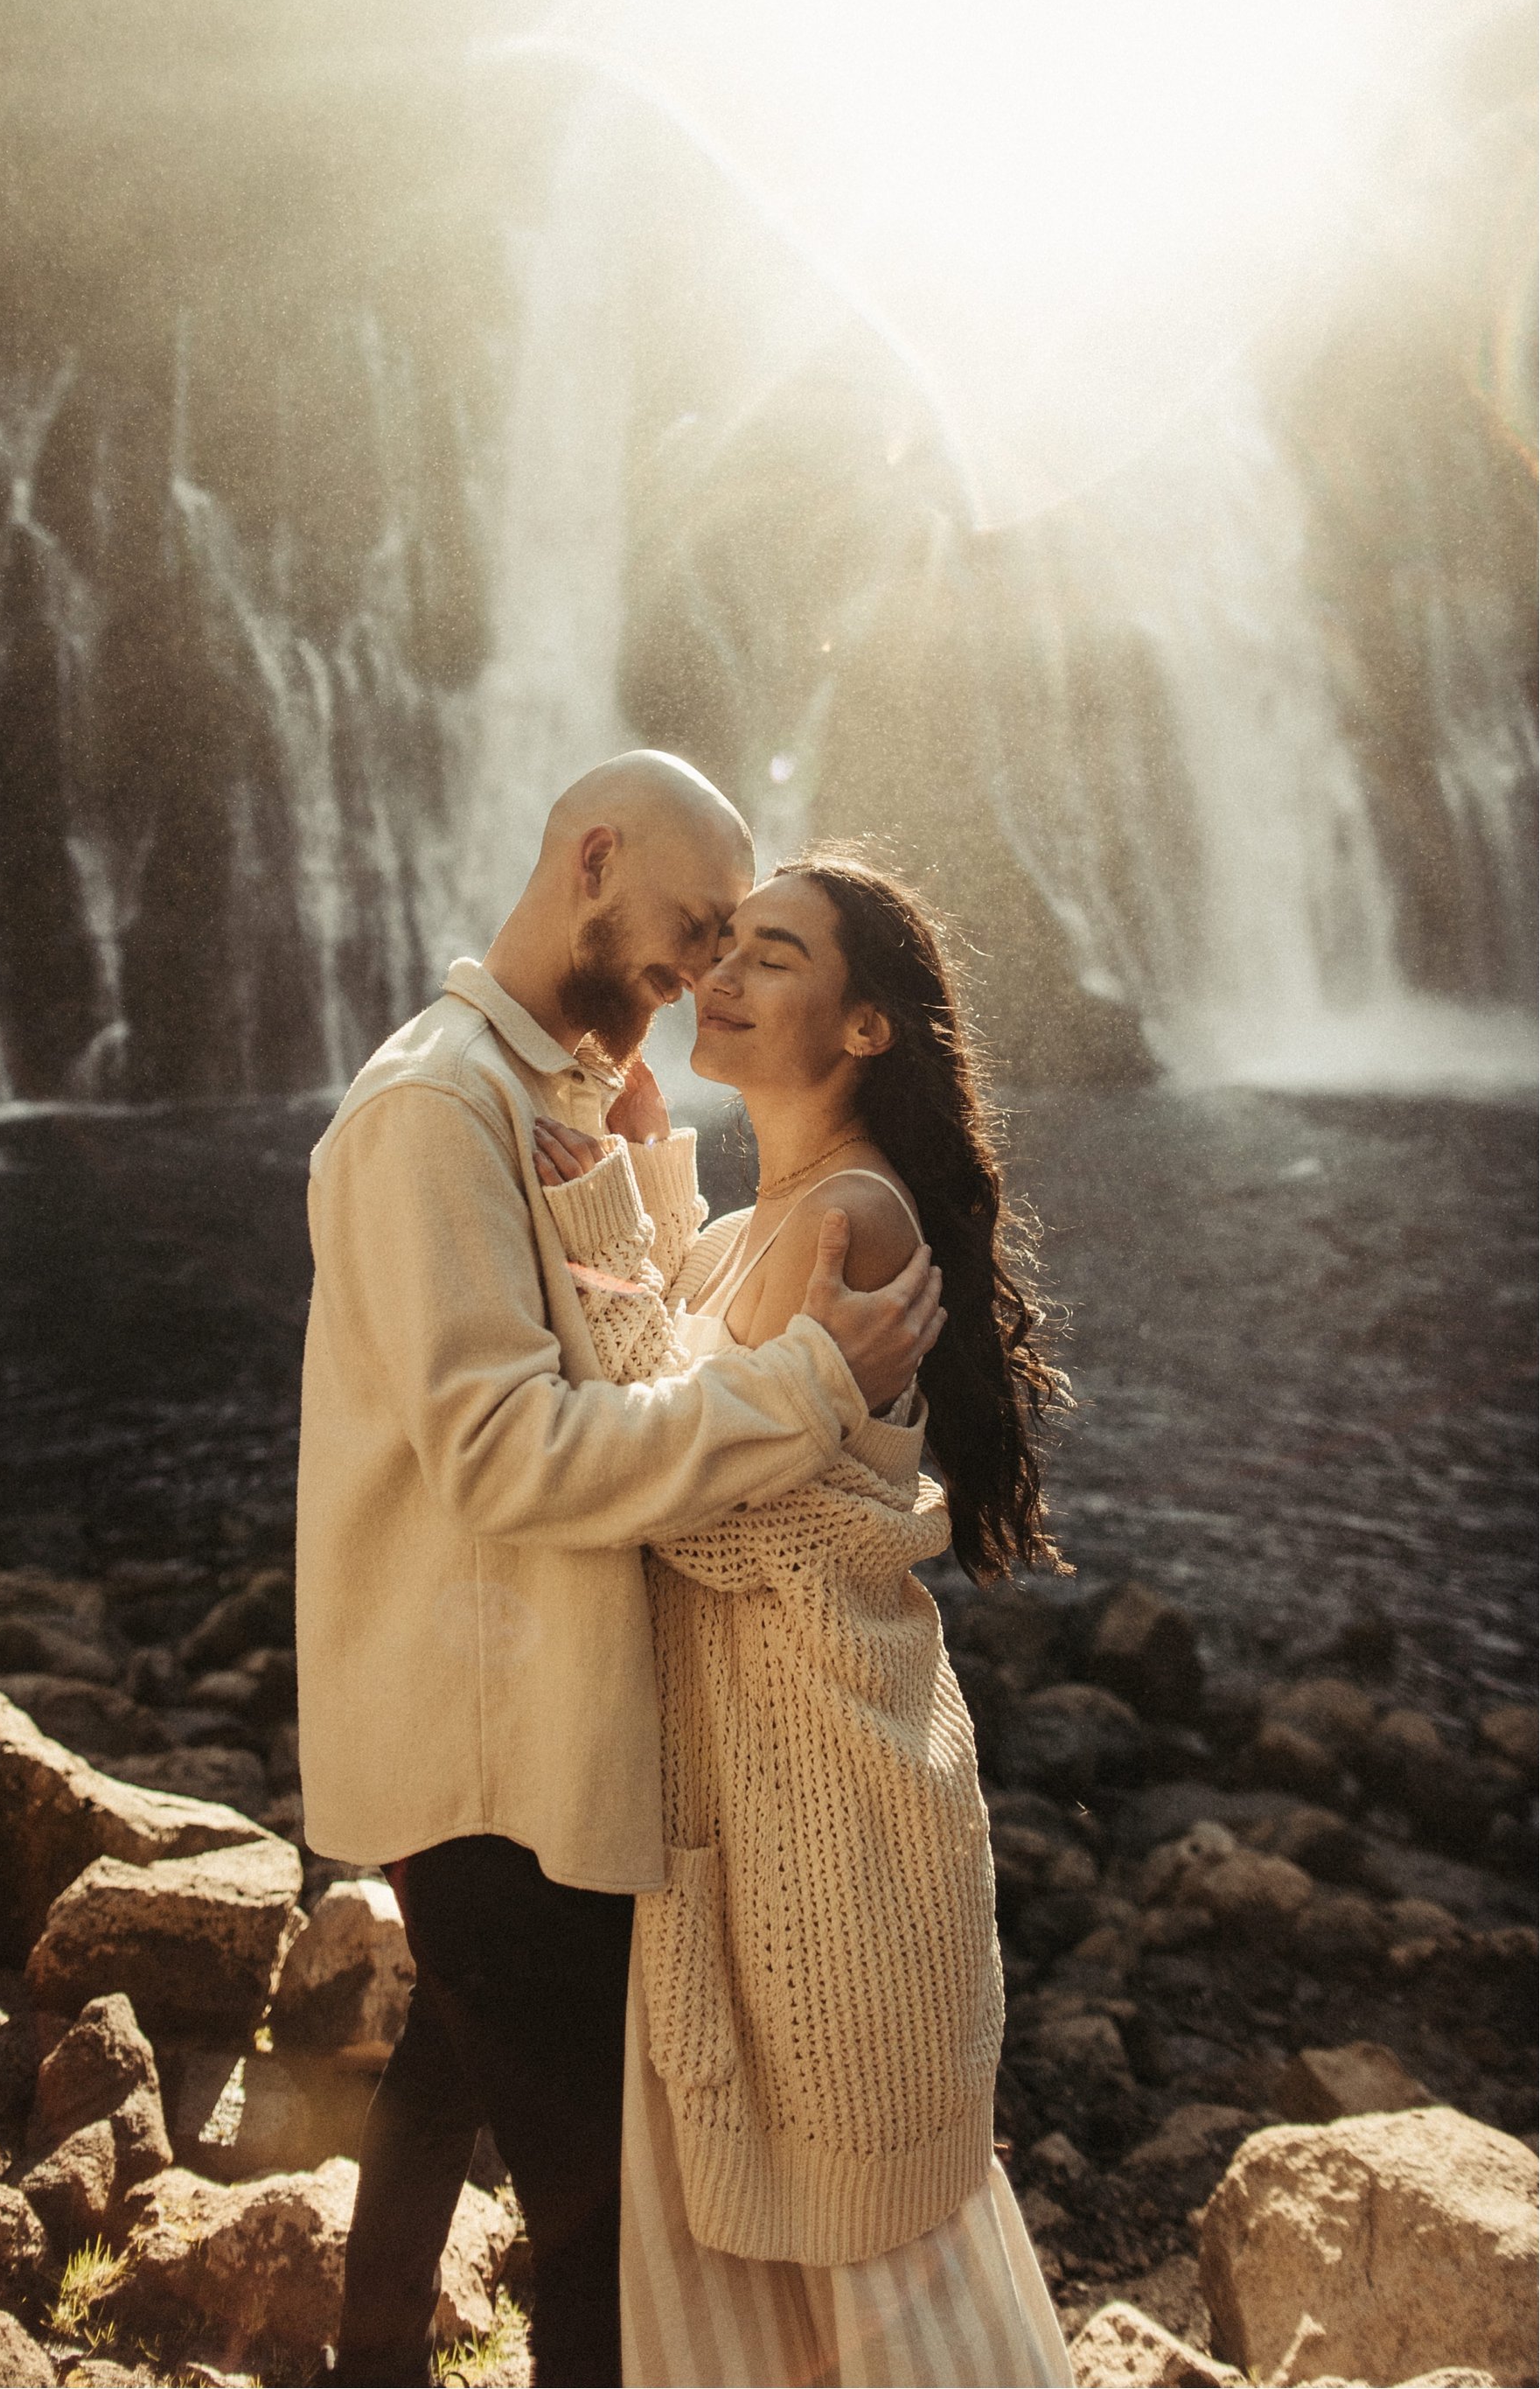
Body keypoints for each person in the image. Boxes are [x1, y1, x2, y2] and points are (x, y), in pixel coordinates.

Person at [296, 754, 947, 2388]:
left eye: (746, 943)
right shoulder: (435, 1108)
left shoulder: (546, 1095)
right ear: (594, 859)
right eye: (697, 925)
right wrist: (811, 1392)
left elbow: (632, 1358)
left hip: (548, 1733)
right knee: (593, 2244)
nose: (710, 969)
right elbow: (512, 1447)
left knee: (442, 2087)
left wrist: (654, 1187)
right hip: (493, 1754)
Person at [531, 850, 1076, 2388]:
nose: (724, 976)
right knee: (781, 2247)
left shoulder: (852, 1223)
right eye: (725, 949)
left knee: (878, 2255)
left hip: (829, 1809)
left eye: (773, 956)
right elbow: (683, 1401)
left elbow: (678, 1498)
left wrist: (609, 1202)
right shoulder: (764, 1226)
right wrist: (648, 1171)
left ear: (864, 1030)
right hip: (764, 1794)